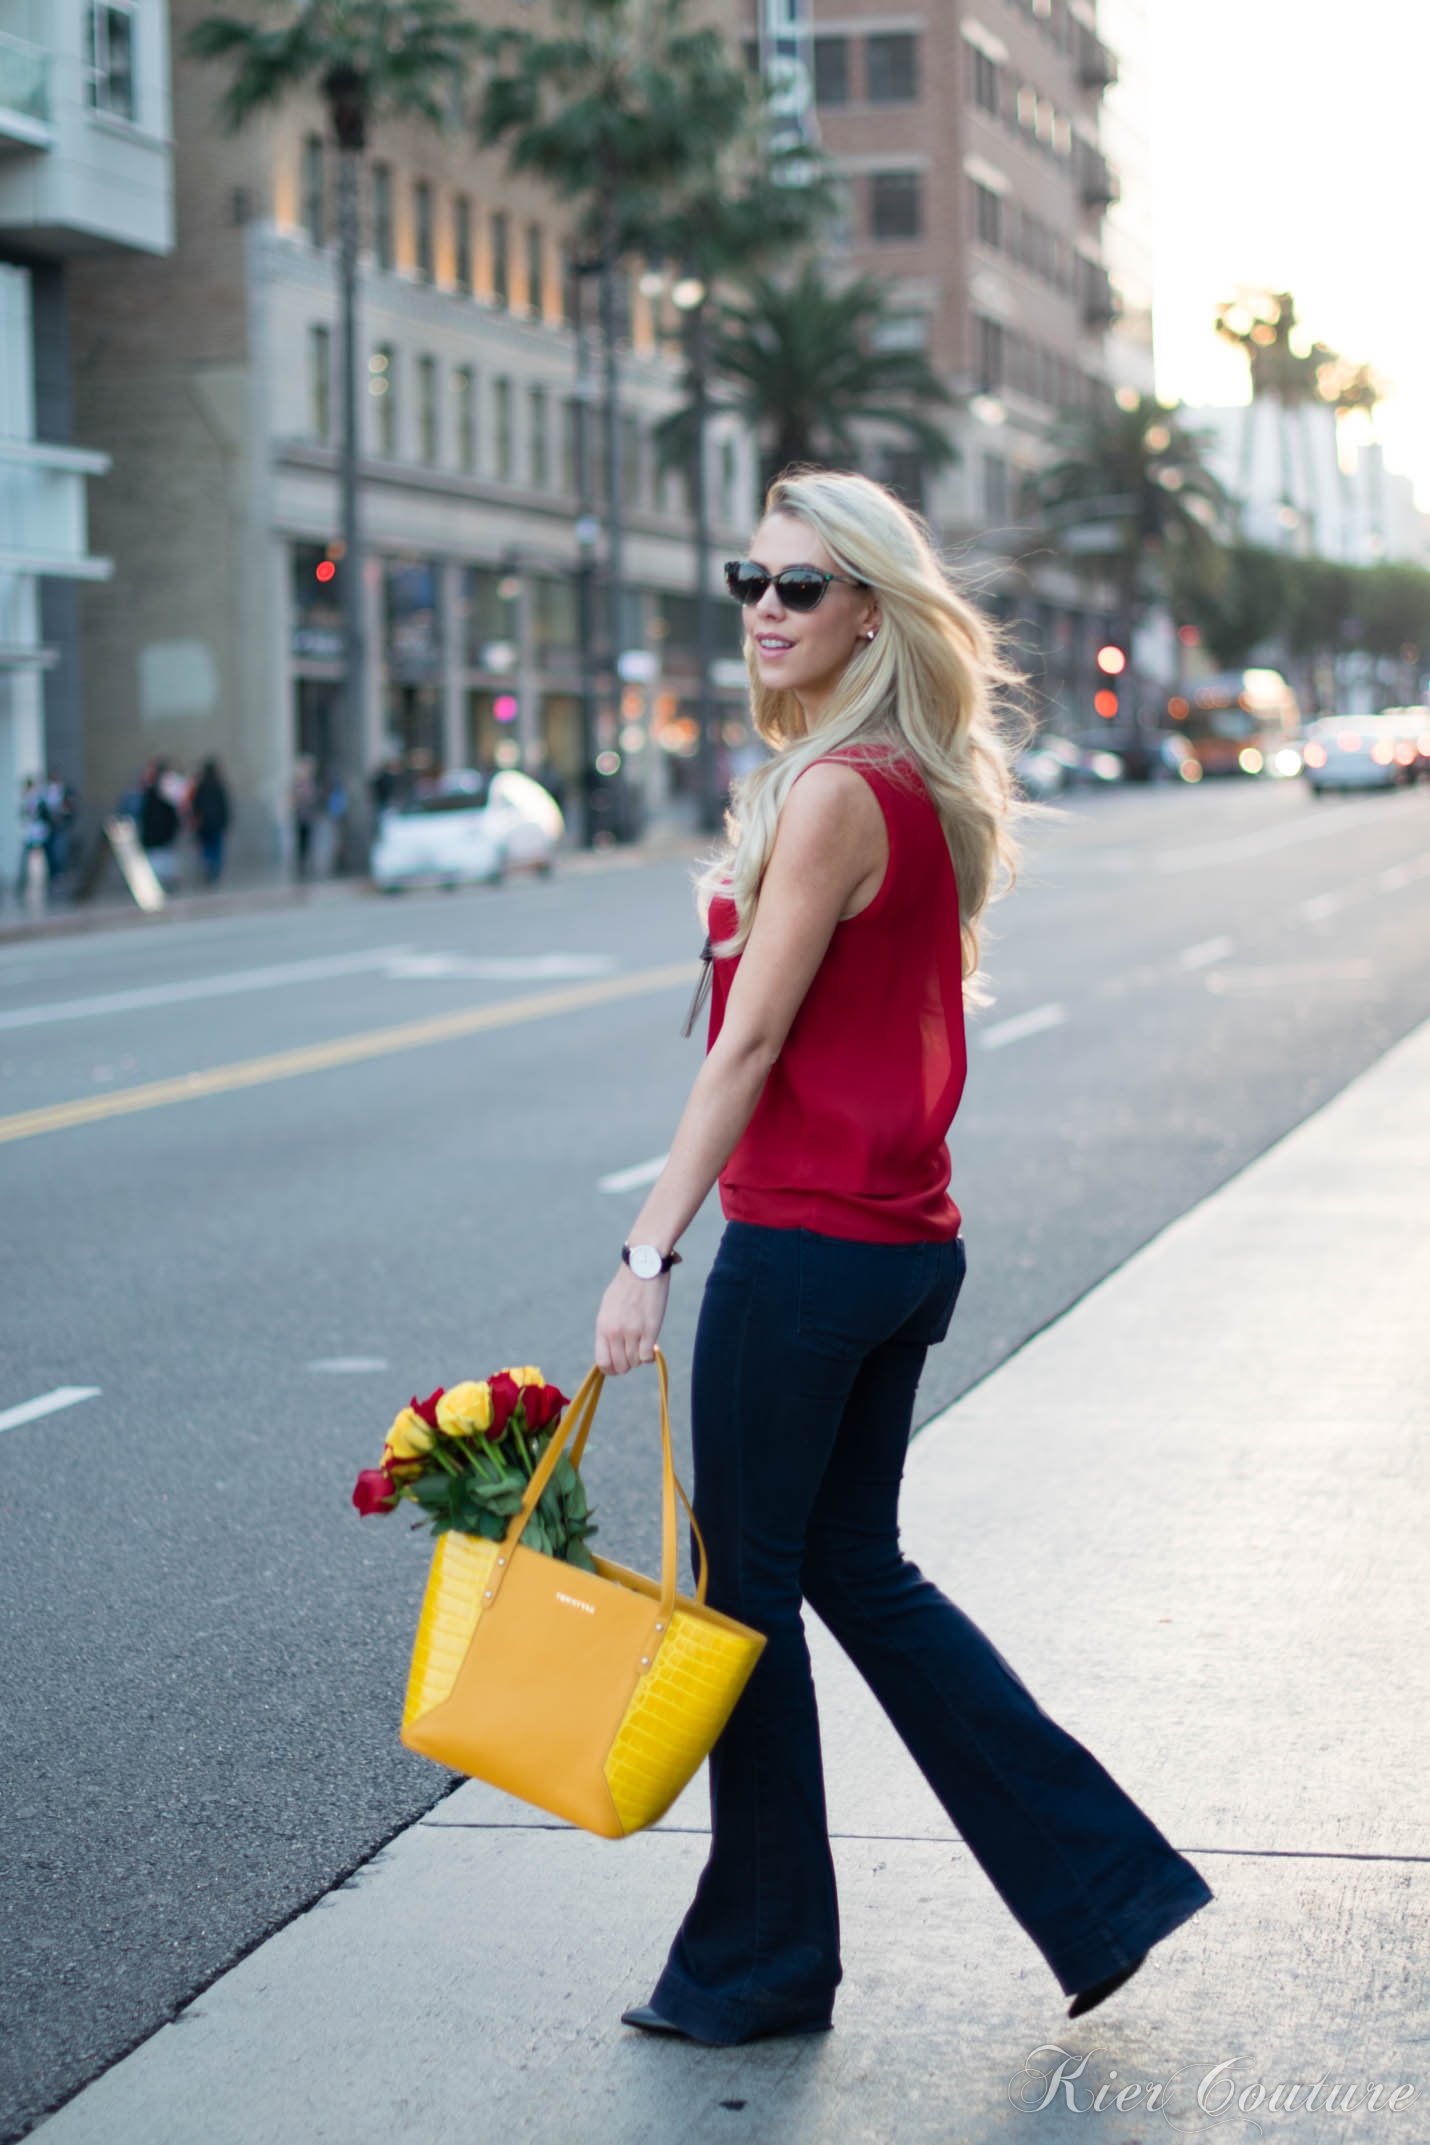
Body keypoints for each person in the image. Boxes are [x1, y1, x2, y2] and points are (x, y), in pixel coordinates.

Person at [594, 470, 1211, 2047]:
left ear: (871, 606)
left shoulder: (829, 793)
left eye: (802, 585)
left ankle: (763, 1962)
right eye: (753, 579)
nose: (767, 609)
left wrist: (645, 1247)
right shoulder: (909, 783)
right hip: (894, 1252)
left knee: (747, 1601)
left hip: (802, 1258)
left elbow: (745, 1057)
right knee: (852, 1573)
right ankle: (1104, 1886)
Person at [138, 760, 182, 889]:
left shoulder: (161, 790)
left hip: (160, 834)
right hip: (159, 834)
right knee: (160, 862)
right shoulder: (159, 790)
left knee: (161, 862)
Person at [190, 758, 231, 884]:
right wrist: (225, 822)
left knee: (208, 848)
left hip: (205, 824)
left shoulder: (201, 786)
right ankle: (213, 871)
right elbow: (224, 806)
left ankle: (209, 869)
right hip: (215, 823)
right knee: (215, 848)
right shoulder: (218, 785)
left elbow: (196, 805)